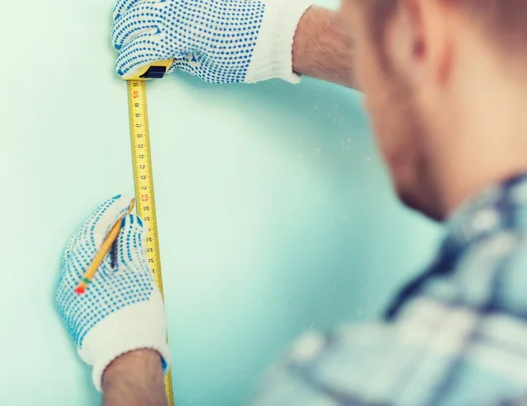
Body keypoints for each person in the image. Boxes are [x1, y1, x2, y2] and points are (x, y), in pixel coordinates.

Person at [55, 0, 527, 404]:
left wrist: (130, 363)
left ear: (419, 38)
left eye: (362, 40)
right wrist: (289, 37)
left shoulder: (363, 385)